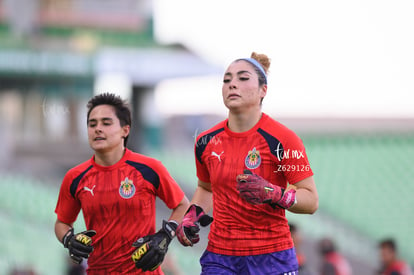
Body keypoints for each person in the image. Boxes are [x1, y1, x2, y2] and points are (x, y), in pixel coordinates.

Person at [175, 52, 319, 274]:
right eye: (227, 80)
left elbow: (310, 201)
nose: (232, 84)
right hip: (220, 257)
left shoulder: (284, 139)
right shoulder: (205, 141)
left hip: (272, 257)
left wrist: (273, 193)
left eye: (243, 78)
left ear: (264, 90)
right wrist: (190, 219)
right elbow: (206, 189)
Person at [54, 93, 189, 274]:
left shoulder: (149, 168)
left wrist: (165, 236)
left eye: (106, 123)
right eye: (92, 124)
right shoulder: (76, 177)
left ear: (125, 130)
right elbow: (62, 223)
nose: (97, 129)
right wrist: (69, 239)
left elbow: (182, 205)